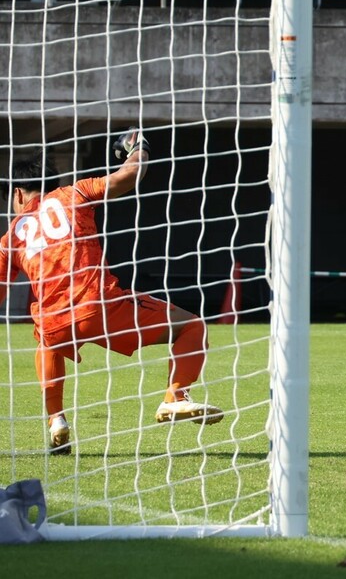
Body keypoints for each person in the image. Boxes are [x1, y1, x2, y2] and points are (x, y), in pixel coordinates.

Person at [0, 132, 223, 455]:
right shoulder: (72, 193)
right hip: (100, 306)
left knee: (45, 337)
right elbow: (127, 176)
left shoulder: (11, 238)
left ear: (18, 193)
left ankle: (56, 420)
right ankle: (175, 396)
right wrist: (140, 148)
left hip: (56, 322)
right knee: (192, 326)